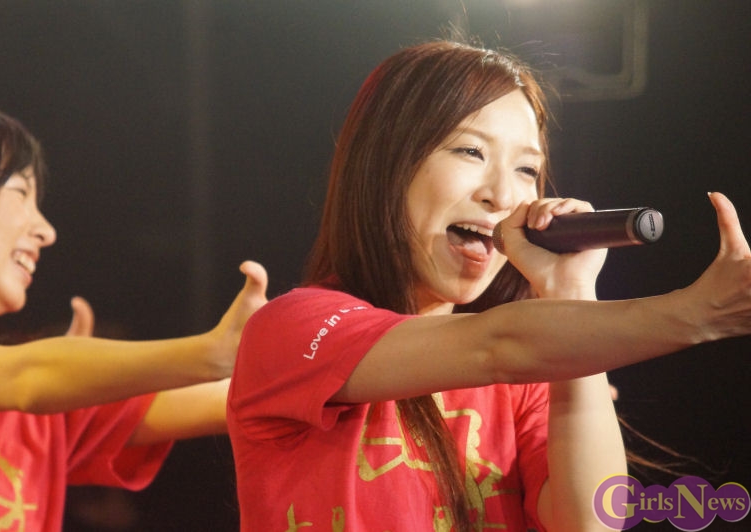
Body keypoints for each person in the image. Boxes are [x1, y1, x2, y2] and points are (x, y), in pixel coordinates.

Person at [227, 40, 751, 531]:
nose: (503, 195)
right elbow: (497, 345)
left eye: (526, 169)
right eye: (470, 152)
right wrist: (698, 314)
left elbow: (592, 521)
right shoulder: (291, 330)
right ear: (386, 164)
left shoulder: (527, 375)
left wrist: (570, 295)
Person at [0, 93, 268, 530]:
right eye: (20, 192)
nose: (46, 230)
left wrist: (323, 368)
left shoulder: (35, 414)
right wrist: (211, 352)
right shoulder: (30, 383)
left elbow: (241, 396)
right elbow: (26, 376)